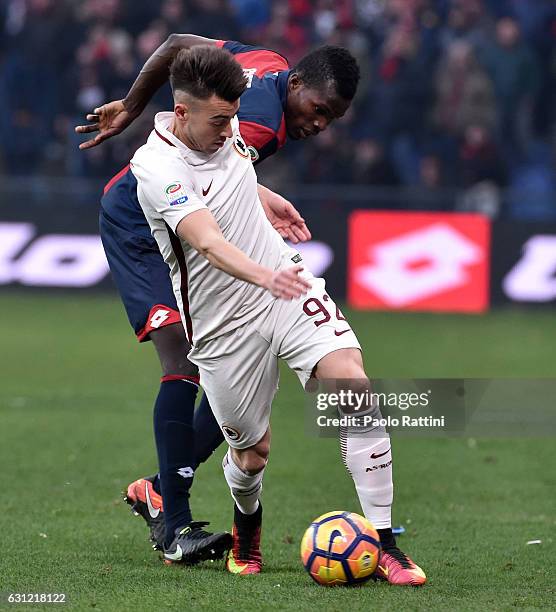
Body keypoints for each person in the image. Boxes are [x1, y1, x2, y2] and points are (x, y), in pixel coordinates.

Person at [132, 44, 426, 584]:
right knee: (251, 454)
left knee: (352, 386)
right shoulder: (155, 168)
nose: (232, 132)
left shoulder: (224, 117)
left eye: (233, 120)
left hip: (284, 285)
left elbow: (184, 52)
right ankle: (247, 526)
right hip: (224, 321)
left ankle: (386, 544)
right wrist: (263, 274)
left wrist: (262, 195)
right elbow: (209, 241)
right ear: (181, 114)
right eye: (221, 123)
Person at [76, 34, 358, 561]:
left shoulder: (264, 63)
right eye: (318, 110)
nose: (319, 125)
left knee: (219, 374)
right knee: (183, 363)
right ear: (294, 84)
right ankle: (172, 520)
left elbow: (178, 43)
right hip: (141, 224)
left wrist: (133, 107)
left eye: (332, 119)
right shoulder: (255, 126)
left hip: (193, 221)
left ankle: (160, 487)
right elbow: (210, 181)